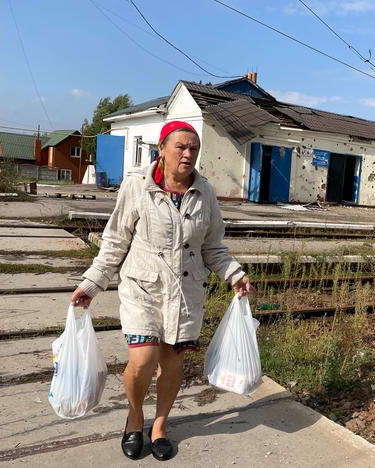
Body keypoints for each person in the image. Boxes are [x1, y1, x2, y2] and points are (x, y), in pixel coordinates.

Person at [70, 120, 255, 461]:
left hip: (186, 293)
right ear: (162, 150)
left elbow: (212, 247)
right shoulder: (137, 186)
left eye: (194, 148)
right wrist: (93, 282)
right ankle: (135, 416)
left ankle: (160, 424)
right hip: (143, 287)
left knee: (171, 363)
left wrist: (234, 273)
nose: (188, 154)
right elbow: (115, 240)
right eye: (181, 147)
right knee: (142, 361)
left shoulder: (206, 192)